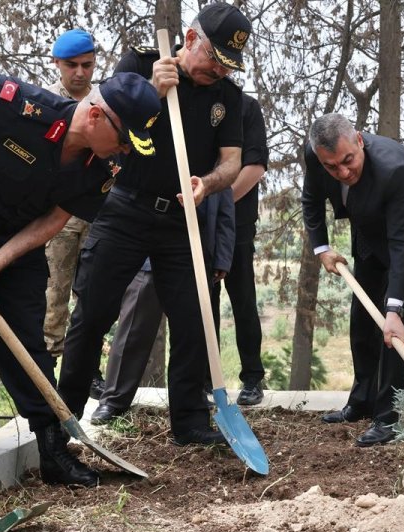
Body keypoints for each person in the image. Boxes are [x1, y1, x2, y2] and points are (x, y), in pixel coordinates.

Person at [0, 41, 161, 487]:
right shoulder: (21, 107)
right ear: (97, 115)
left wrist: (0, 260)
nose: (124, 151)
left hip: (17, 245)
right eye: (124, 140)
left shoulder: (103, 167)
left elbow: (55, 218)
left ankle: (52, 452)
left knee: (28, 343)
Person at [57, 3, 251, 447]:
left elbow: (232, 163)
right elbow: (96, 119)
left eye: (228, 65)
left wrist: (209, 183)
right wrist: (149, 89)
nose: (219, 72)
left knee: (193, 318)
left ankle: (189, 422)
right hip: (123, 208)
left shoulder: (228, 98)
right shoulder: (141, 63)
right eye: (214, 60)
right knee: (93, 313)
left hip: (182, 217)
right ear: (189, 40)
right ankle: (61, 418)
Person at [301, 113, 404, 447]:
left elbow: (403, 244)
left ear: (360, 141)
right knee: (363, 320)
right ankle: (361, 401)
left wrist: (394, 310)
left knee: (395, 332)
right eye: (332, 167)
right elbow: (311, 200)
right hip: (368, 231)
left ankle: (387, 418)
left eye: (348, 161)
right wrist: (321, 248)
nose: (343, 172)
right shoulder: (315, 155)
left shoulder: (395, 170)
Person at [90, 190, 235, 424]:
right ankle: (113, 400)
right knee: (133, 330)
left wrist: (222, 257)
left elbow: (225, 212)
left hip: (196, 258)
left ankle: (191, 402)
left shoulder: (215, 161)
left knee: (193, 335)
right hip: (148, 256)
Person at [41, 29, 106, 398]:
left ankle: (86, 371)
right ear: (57, 64)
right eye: (72, 66)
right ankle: (47, 369)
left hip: (97, 213)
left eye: (87, 65)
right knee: (55, 293)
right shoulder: (47, 101)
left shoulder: (104, 101)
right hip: (58, 215)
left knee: (91, 296)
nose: (80, 73)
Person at [209, 92, 268, 406]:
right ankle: (208, 380)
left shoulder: (246, 107)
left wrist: (220, 204)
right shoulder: (192, 103)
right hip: (198, 222)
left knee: (243, 299)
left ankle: (253, 379)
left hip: (238, 221)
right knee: (205, 304)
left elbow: (255, 166)